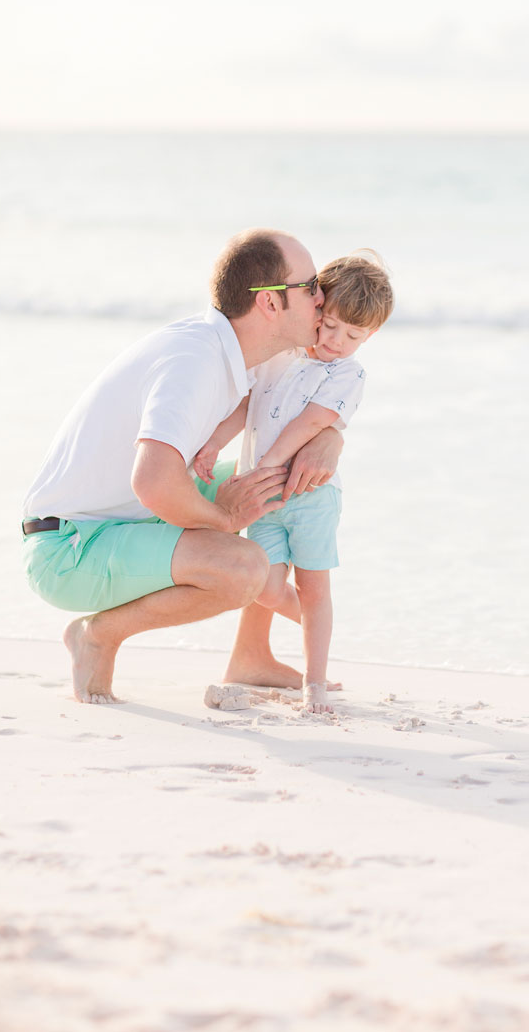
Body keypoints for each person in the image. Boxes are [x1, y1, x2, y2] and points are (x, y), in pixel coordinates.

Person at [22, 229, 343, 704]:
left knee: (287, 481)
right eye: (311, 285)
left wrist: (330, 439)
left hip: (125, 521)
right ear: (270, 304)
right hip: (69, 547)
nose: (323, 297)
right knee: (244, 568)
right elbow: (152, 482)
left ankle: (250, 655)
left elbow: (308, 402)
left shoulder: (244, 350)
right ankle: (99, 635)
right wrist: (224, 519)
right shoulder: (194, 361)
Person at [194, 252, 394, 713]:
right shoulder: (279, 356)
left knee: (315, 587)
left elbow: (311, 423)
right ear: (318, 309)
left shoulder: (347, 373)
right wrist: (213, 445)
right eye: (331, 326)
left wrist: (269, 466)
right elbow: (246, 406)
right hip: (264, 497)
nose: (338, 341)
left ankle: (315, 682)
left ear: (371, 336)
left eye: (354, 335)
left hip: (310, 495)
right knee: (262, 585)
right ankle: (315, 627)